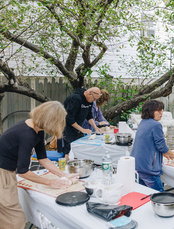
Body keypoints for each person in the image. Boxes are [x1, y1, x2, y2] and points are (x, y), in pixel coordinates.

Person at [0, 101, 79, 229]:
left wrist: (64, 175)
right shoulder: (27, 134)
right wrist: (50, 183)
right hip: (2, 173)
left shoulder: (37, 129)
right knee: (14, 217)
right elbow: (23, 171)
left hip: (7, 171)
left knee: (6, 214)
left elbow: (43, 159)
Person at [131, 100, 174, 192]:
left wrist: (164, 153)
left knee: (144, 194)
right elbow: (161, 146)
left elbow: (148, 143)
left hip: (138, 165)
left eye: (161, 110)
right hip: (148, 168)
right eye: (158, 110)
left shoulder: (143, 122)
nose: (161, 113)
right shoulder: (156, 125)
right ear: (150, 112)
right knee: (159, 196)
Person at [58, 87, 103, 160]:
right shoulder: (75, 99)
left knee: (75, 148)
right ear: (90, 93)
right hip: (65, 127)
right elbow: (69, 118)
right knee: (67, 151)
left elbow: (89, 116)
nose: (94, 101)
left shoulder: (90, 101)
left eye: (96, 100)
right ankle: (65, 167)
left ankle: (74, 165)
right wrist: (82, 129)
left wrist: (95, 127)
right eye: (94, 99)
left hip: (75, 127)